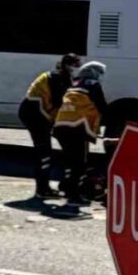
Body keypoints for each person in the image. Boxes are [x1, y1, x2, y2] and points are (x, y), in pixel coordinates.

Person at [19, 54, 81, 199]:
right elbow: (59, 104)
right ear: (67, 65)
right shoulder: (58, 79)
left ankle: (43, 188)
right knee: (44, 151)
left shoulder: (63, 78)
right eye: (75, 66)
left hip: (36, 112)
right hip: (34, 112)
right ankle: (42, 190)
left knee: (44, 151)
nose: (76, 69)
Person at [53, 62, 109, 203]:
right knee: (79, 162)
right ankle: (74, 194)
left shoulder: (74, 83)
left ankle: (65, 186)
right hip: (77, 126)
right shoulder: (93, 84)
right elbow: (101, 105)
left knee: (69, 158)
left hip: (60, 125)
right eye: (100, 74)